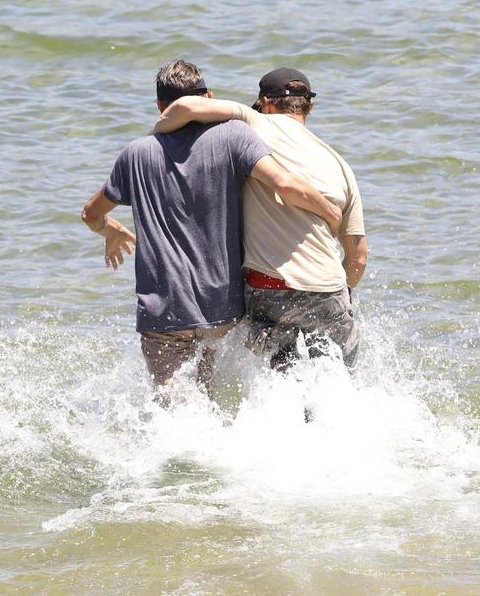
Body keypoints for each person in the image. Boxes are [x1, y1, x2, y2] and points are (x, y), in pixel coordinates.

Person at [81, 60, 341, 403]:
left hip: (164, 313)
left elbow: (90, 213)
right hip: (223, 308)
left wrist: (111, 230)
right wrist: (330, 212)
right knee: (212, 399)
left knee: (175, 411)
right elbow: (284, 183)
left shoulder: (136, 153)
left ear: (160, 107)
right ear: (209, 97)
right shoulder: (234, 137)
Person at [153, 67, 367, 370]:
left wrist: (151, 141)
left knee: (282, 381)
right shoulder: (341, 165)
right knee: (339, 381)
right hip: (329, 290)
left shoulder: (255, 123)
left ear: (265, 103)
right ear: (310, 107)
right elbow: (358, 257)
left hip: (271, 289)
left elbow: (186, 106)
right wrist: (340, 295)